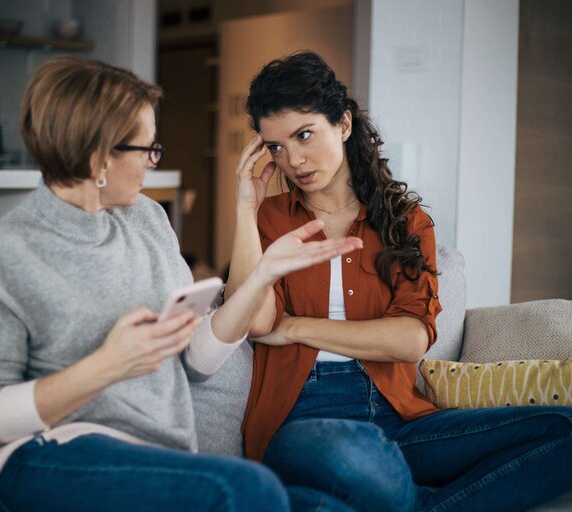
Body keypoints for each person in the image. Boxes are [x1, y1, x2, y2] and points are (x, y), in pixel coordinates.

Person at [0, 56, 364, 512]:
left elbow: (196, 363)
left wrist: (262, 275)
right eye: (146, 149)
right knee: (251, 491)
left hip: (157, 456)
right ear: (99, 158)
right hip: (54, 456)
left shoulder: (147, 219)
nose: (153, 161)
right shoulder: (5, 251)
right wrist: (108, 364)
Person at [225, 51, 572, 512]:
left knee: (562, 429)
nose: (293, 159)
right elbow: (254, 321)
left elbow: (410, 340)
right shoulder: (270, 218)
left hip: (397, 417)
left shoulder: (406, 221)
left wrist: (294, 328)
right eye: (276, 146)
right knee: (347, 456)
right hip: (302, 422)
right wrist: (246, 210)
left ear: (343, 125)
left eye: (304, 134)